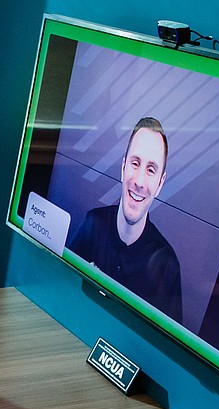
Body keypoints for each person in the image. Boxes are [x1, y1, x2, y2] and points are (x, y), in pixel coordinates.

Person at [68, 116, 182, 322]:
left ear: (160, 183)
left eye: (150, 170)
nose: (139, 181)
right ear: (123, 168)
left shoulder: (166, 265)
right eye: (135, 163)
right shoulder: (92, 224)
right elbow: (60, 290)